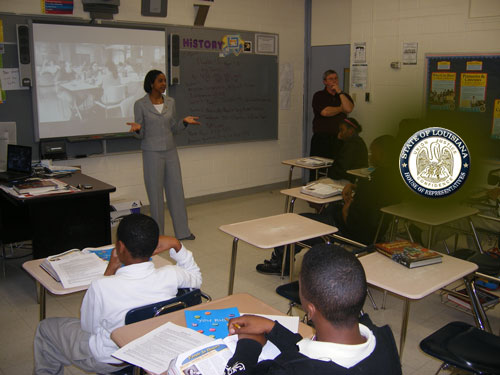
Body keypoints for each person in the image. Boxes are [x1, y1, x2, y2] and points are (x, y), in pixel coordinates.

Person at [33, 213, 202, 375]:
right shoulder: (172, 274)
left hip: (112, 359)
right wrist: (176, 244)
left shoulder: (102, 286)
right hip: (156, 347)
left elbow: (89, 327)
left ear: (120, 247)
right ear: (154, 246)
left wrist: (111, 269)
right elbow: (196, 278)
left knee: (46, 329)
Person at [226, 244, 402, 375]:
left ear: (310, 310)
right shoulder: (384, 340)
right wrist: (272, 328)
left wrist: (248, 345)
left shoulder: (290, 369)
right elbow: (312, 354)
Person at [256, 135, 402, 275]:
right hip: (374, 233)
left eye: (373, 153)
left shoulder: (371, 182)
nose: (370, 156)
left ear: (382, 155)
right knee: (329, 209)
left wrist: (347, 202)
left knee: (297, 222)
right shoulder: (394, 179)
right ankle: (317, 243)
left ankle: (281, 263)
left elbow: (349, 218)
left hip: (353, 232)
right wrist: (355, 189)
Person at [127, 69, 200, 240]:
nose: (164, 84)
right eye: (160, 81)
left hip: (170, 151)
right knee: (155, 194)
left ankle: (183, 232)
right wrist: (137, 130)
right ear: (151, 83)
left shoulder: (170, 102)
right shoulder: (140, 104)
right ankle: (157, 234)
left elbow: (173, 128)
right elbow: (140, 132)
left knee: (176, 191)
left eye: (165, 81)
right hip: (152, 152)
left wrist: (184, 123)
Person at [310, 70, 354, 180]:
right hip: (322, 138)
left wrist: (340, 92)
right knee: (319, 167)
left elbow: (348, 108)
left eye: (336, 78)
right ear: (325, 82)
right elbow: (325, 112)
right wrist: (340, 108)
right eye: (330, 79)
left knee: (337, 166)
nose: (334, 81)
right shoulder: (319, 95)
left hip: (339, 139)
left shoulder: (344, 96)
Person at [327, 117, 368, 182]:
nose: (340, 133)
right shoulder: (358, 142)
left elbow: (342, 169)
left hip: (348, 180)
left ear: (351, 130)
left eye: (342, 130)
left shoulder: (352, 145)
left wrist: (330, 173)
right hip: (351, 178)